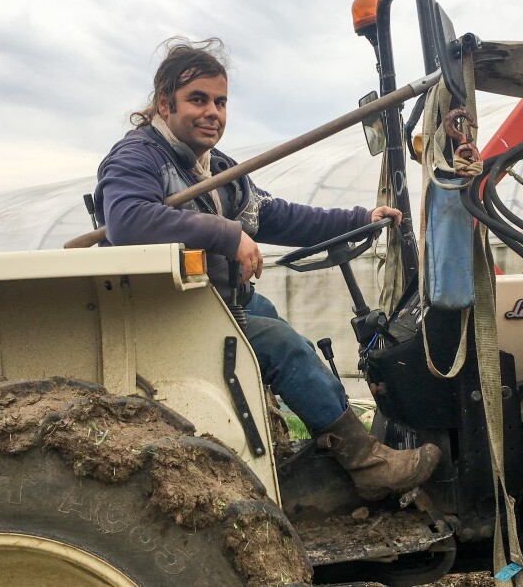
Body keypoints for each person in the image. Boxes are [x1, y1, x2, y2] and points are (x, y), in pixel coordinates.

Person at [94, 37, 441, 500]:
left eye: (220, 102)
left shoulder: (213, 168)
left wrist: (359, 219)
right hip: (169, 312)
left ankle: (306, 440)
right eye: (197, 99)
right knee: (283, 345)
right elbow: (128, 221)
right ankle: (366, 464)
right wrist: (228, 235)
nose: (211, 112)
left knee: (270, 315)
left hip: (215, 300)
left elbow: (276, 215)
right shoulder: (138, 157)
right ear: (163, 103)